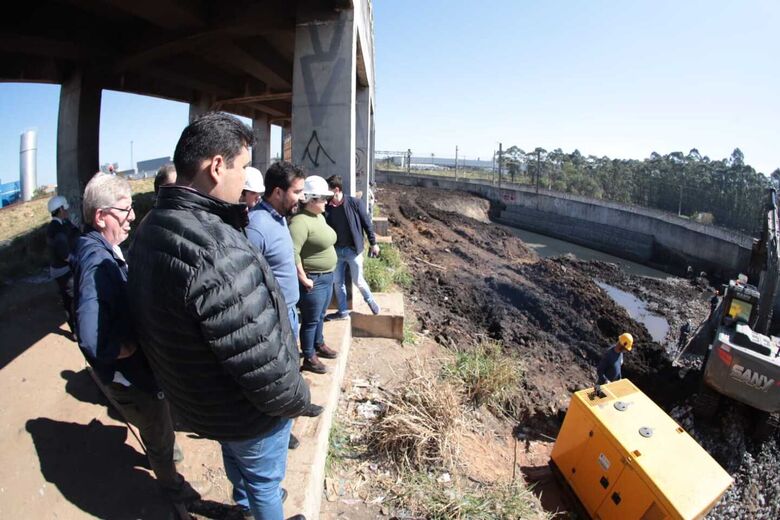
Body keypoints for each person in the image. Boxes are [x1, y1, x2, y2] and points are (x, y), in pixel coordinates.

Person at [127, 113, 316, 520]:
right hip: (247, 411)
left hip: (208, 403)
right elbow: (261, 360)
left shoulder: (149, 227)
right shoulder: (217, 250)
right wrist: (299, 400)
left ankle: (245, 508)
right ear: (216, 166)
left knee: (239, 463)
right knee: (265, 483)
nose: (247, 178)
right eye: (243, 167)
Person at [71, 172, 199, 512]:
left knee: (160, 427)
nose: (132, 217)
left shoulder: (101, 248)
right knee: (159, 434)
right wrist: (125, 349)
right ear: (101, 216)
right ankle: (172, 486)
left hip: (135, 372)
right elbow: (91, 337)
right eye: (125, 210)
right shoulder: (97, 261)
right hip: (133, 377)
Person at [246, 161, 306, 450]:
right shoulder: (256, 227)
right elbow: (247, 281)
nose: (302, 198)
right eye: (297, 192)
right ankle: (277, 429)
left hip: (288, 313)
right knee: (277, 375)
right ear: (278, 192)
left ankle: (284, 422)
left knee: (289, 371)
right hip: (273, 319)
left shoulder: (279, 217)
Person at [289, 175, 339, 374]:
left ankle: (319, 344)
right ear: (311, 199)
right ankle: (309, 356)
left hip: (326, 276)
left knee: (320, 315)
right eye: (323, 198)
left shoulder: (318, 217)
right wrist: (303, 278)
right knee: (310, 320)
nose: (327, 201)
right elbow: (293, 252)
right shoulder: (300, 222)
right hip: (314, 279)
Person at [324, 175, 381, 318]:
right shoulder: (326, 207)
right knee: (337, 282)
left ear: (336, 190)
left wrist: (373, 243)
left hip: (352, 250)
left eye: (328, 190)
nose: (326, 193)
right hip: (336, 251)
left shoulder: (354, 203)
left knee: (358, 280)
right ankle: (343, 312)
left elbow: (367, 224)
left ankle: (370, 301)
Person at [46, 195, 80, 337]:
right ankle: (77, 332)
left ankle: (74, 329)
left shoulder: (54, 226)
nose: (67, 211)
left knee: (67, 299)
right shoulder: (58, 230)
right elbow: (65, 255)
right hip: (63, 271)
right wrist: (77, 261)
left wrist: (73, 226)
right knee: (74, 300)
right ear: (60, 209)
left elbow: (69, 232)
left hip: (56, 269)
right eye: (65, 209)